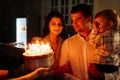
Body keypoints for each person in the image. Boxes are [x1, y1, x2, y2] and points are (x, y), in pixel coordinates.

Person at [89, 9, 120, 80]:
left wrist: (94, 30)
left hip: (103, 66)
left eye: (98, 23)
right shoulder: (117, 35)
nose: (97, 26)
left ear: (110, 24)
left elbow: (93, 42)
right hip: (113, 66)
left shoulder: (105, 36)